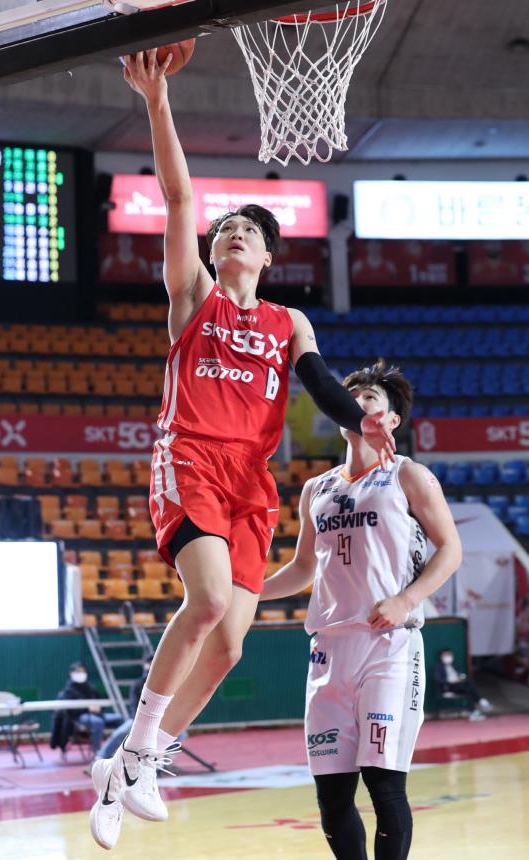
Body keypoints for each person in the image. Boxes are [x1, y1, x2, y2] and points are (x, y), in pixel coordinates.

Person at [89, 49, 396, 851]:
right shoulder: (192, 295)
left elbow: (319, 380)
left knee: (227, 645)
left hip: (250, 482)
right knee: (207, 602)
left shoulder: (289, 322)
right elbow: (179, 195)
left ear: (266, 257)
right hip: (191, 457)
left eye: (247, 233)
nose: (232, 235)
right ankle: (138, 753)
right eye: (225, 230)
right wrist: (157, 97)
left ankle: (130, 766)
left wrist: (360, 424)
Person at [261, 359, 463, 860]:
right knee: (332, 797)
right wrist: (246, 591)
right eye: (349, 398)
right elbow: (303, 568)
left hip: (387, 646)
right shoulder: (317, 488)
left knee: (383, 784)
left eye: (370, 398)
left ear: (391, 419)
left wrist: (406, 599)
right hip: (329, 650)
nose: (357, 404)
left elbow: (450, 549)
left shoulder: (408, 475)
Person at [55, 663, 120, 756]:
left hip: (98, 714)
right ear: (71, 673)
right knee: (98, 722)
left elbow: (100, 701)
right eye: (78, 672)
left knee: (119, 719)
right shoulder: (68, 691)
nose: (80, 674)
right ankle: (98, 752)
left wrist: (99, 707)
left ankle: (119, 749)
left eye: (82, 671)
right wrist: (88, 709)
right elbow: (69, 711)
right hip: (80, 717)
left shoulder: (90, 688)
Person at [433, 649, 491, 721]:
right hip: (448, 687)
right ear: (441, 656)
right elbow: (437, 679)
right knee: (467, 686)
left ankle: (473, 712)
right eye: (445, 655)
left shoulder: (455, 665)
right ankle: (480, 700)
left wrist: (460, 678)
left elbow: (461, 674)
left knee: (468, 688)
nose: (447, 657)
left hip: (459, 686)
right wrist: (450, 681)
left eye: (449, 655)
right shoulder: (438, 667)